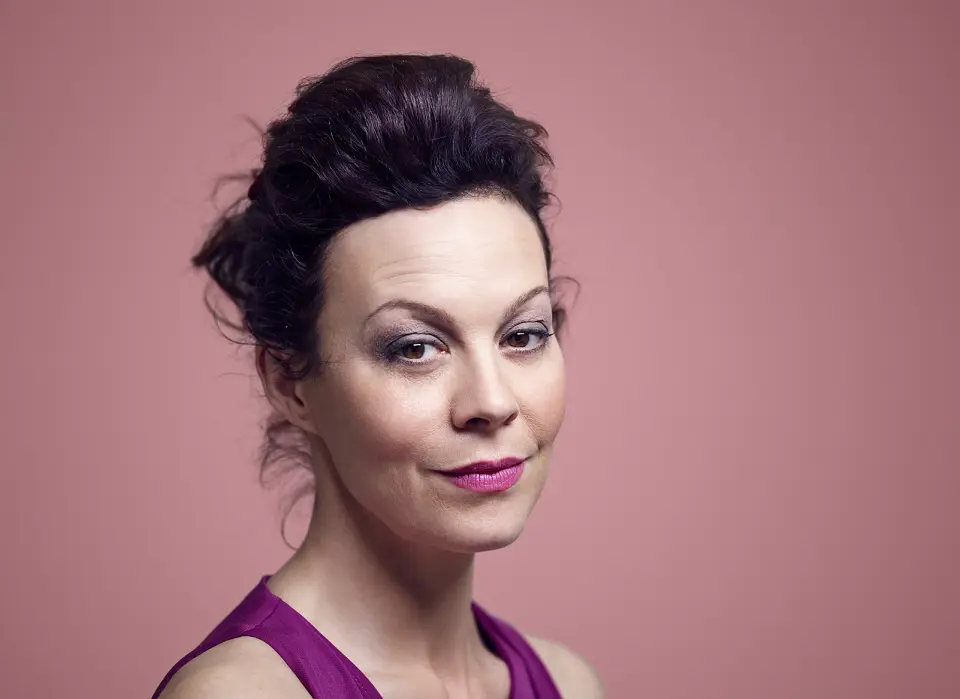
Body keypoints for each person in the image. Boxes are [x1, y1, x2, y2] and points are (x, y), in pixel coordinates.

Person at [152, 53, 603, 699]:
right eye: (415, 348)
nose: (492, 400)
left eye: (523, 335)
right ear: (289, 382)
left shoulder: (569, 682)